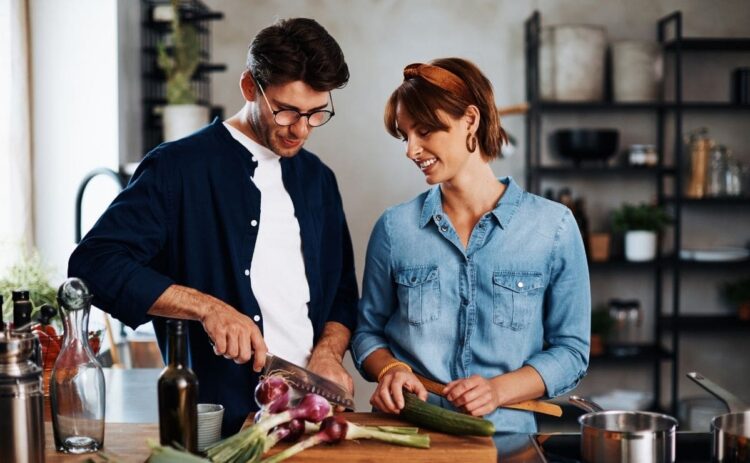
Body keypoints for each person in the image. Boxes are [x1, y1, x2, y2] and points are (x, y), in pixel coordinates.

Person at [69, 18, 358, 435]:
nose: (300, 129)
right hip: (219, 427)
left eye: (316, 114)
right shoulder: (177, 168)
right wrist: (208, 308)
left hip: (311, 419)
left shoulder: (319, 180)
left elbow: (342, 295)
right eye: (287, 111)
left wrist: (329, 353)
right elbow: (94, 264)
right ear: (248, 87)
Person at [352, 58, 590, 433]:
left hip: (506, 444)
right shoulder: (395, 229)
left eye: (425, 131)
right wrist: (392, 369)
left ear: (471, 121)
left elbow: (572, 352)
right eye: (405, 135)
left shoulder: (553, 227)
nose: (411, 150)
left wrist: (498, 390)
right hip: (408, 437)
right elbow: (366, 332)